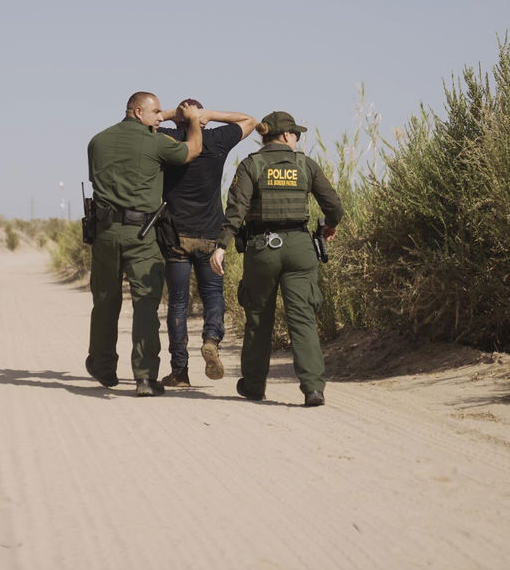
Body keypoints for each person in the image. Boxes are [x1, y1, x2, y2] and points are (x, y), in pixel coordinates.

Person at [210, 111, 343, 407]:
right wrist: (330, 224)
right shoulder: (305, 165)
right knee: (303, 318)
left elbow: (236, 209)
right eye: (296, 133)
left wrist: (222, 245)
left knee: (258, 318)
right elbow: (333, 205)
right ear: (285, 135)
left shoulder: (251, 165)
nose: (297, 138)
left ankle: (255, 385)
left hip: (262, 247)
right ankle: (312, 388)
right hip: (299, 246)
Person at [86, 92, 202, 396]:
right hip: (141, 235)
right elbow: (192, 151)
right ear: (138, 112)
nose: (159, 118)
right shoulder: (155, 142)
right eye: (155, 112)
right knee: (146, 304)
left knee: (105, 301)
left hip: (105, 233)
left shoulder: (97, 141)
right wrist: (192, 122)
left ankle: (102, 365)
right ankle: (145, 377)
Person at [156, 100, 256, 387]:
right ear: (204, 122)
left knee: (177, 302)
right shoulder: (215, 140)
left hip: (176, 237)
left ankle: (180, 371)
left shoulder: (170, 141)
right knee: (212, 293)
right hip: (210, 235)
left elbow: (143, 124)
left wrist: (179, 117)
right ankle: (212, 339)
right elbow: (249, 120)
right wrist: (207, 116)